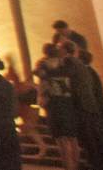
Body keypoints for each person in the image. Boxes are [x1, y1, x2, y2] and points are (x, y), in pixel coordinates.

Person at [36, 42, 79, 170]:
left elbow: (42, 83)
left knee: (61, 138)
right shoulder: (66, 64)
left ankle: (68, 165)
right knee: (71, 137)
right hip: (68, 101)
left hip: (54, 103)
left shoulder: (43, 66)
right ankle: (75, 164)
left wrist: (41, 98)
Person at [74, 48, 103, 170]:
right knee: (98, 137)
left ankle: (101, 162)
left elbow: (92, 93)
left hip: (93, 111)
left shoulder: (86, 73)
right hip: (95, 110)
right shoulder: (91, 71)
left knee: (96, 137)